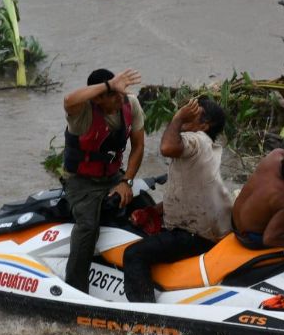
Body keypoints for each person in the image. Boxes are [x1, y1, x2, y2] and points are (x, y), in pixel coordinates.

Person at [123, 97, 232, 303]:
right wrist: (155, 211)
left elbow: (166, 147)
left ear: (204, 125)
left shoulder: (196, 139)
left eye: (192, 114)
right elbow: (191, 192)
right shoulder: (206, 147)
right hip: (207, 229)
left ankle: (145, 319)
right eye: (186, 112)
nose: (185, 116)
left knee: (134, 254)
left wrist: (178, 118)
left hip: (194, 234)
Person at [62, 68, 145, 293]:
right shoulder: (82, 113)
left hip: (114, 177)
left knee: (146, 206)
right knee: (88, 226)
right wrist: (110, 84)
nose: (121, 98)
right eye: (114, 94)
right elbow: (68, 99)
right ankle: (75, 290)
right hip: (82, 182)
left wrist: (126, 181)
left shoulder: (131, 104)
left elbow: (137, 146)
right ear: (98, 98)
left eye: (122, 92)